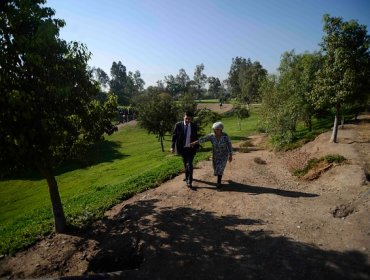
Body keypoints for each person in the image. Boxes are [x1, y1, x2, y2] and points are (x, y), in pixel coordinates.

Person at [191, 121, 232, 188]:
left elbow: (229, 145)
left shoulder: (225, 136)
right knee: (215, 168)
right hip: (215, 154)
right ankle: (221, 178)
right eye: (214, 129)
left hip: (224, 155)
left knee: (220, 168)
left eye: (216, 129)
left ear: (221, 129)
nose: (215, 131)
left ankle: (218, 183)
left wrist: (230, 155)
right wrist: (194, 143)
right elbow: (203, 139)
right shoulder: (211, 136)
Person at [171, 112, 199, 189]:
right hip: (182, 149)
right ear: (184, 117)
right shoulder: (178, 125)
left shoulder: (194, 126)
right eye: (186, 118)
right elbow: (174, 136)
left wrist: (196, 145)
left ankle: (189, 180)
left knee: (189, 164)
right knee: (185, 163)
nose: (187, 120)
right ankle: (187, 176)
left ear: (191, 119)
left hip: (191, 148)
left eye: (189, 119)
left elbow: (196, 136)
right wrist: (172, 147)